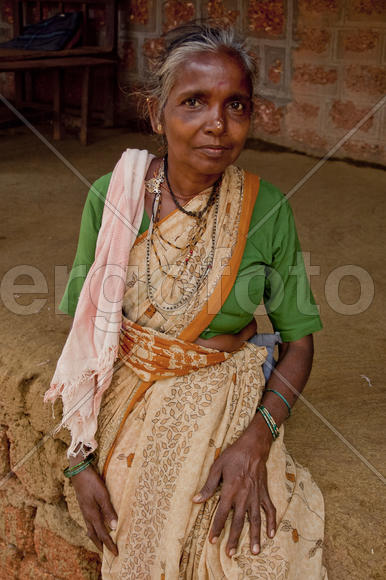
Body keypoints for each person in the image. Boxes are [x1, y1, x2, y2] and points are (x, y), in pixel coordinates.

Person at [45, 23, 327, 579]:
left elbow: (298, 342)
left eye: (236, 105)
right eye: (194, 102)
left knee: (242, 545)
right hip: (127, 390)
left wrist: (256, 442)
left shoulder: (265, 208)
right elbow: (85, 338)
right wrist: (78, 458)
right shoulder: (113, 197)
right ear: (156, 113)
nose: (217, 125)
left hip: (225, 391)